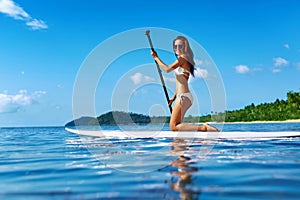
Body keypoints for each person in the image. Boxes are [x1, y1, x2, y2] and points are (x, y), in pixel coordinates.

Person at [151, 36, 219, 132]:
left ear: (185, 47)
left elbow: (167, 69)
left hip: (183, 97)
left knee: (173, 127)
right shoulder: (183, 59)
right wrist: (173, 98)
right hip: (182, 96)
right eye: (175, 46)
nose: (177, 48)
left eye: (180, 46)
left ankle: (204, 128)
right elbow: (181, 83)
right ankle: (184, 143)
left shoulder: (183, 58)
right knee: (178, 126)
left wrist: (156, 58)